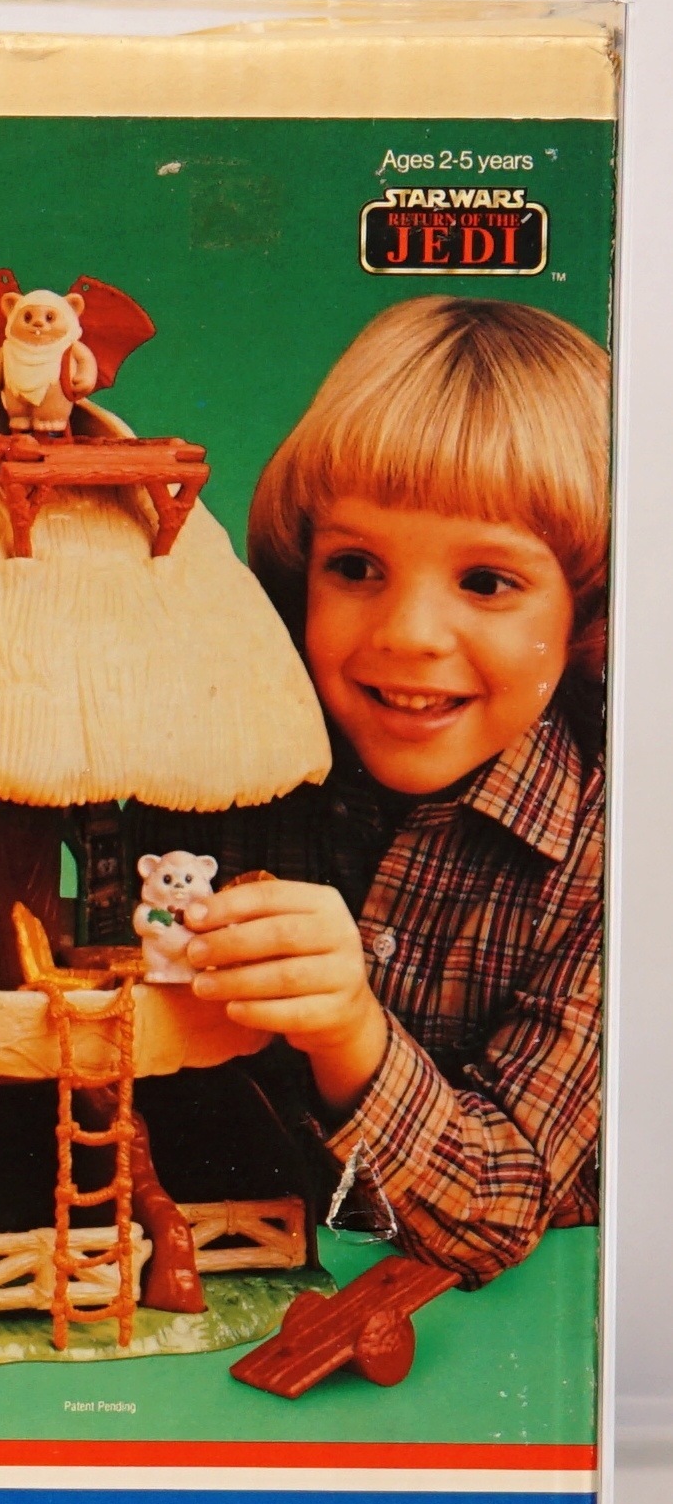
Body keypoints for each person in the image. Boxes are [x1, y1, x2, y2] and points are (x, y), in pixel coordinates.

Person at [150, 297, 608, 1286]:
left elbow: (497, 1213)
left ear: (589, 612)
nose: (405, 633)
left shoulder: (619, 844)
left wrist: (349, 1031)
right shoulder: (229, 746)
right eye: (355, 567)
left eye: (486, 582)